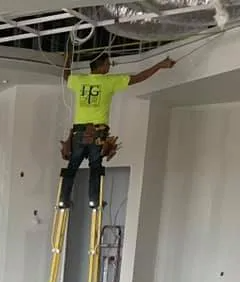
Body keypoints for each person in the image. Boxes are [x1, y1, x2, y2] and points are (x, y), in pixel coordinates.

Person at [59, 52, 175, 208]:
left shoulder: (79, 80)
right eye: (107, 63)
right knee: (95, 167)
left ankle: (63, 199)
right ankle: (94, 200)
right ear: (100, 66)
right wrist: (160, 65)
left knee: (72, 167)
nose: (109, 66)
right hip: (97, 133)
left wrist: (68, 58)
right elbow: (139, 78)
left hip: (78, 133)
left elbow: (66, 75)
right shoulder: (109, 82)